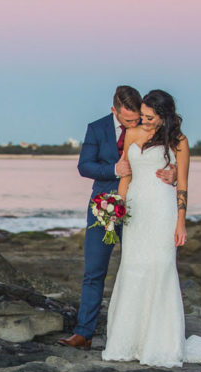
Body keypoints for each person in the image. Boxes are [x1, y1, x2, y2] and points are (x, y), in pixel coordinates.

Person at [102, 89, 201, 367]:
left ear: (163, 117)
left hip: (162, 209)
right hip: (135, 209)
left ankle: (160, 345)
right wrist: (116, 209)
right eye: (142, 116)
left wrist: (181, 222)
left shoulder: (179, 142)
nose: (142, 121)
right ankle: (130, 342)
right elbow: (126, 177)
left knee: (161, 267)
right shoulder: (132, 135)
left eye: (149, 117)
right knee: (133, 268)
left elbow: (182, 184)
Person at [59, 86, 175, 350]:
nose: (135, 125)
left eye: (137, 119)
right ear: (114, 111)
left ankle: (140, 335)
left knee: (138, 269)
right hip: (103, 206)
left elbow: (168, 156)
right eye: (127, 121)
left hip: (142, 208)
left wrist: (174, 173)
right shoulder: (96, 128)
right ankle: (83, 334)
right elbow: (84, 166)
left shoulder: (150, 124)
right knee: (94, 271)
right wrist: (113, 169)